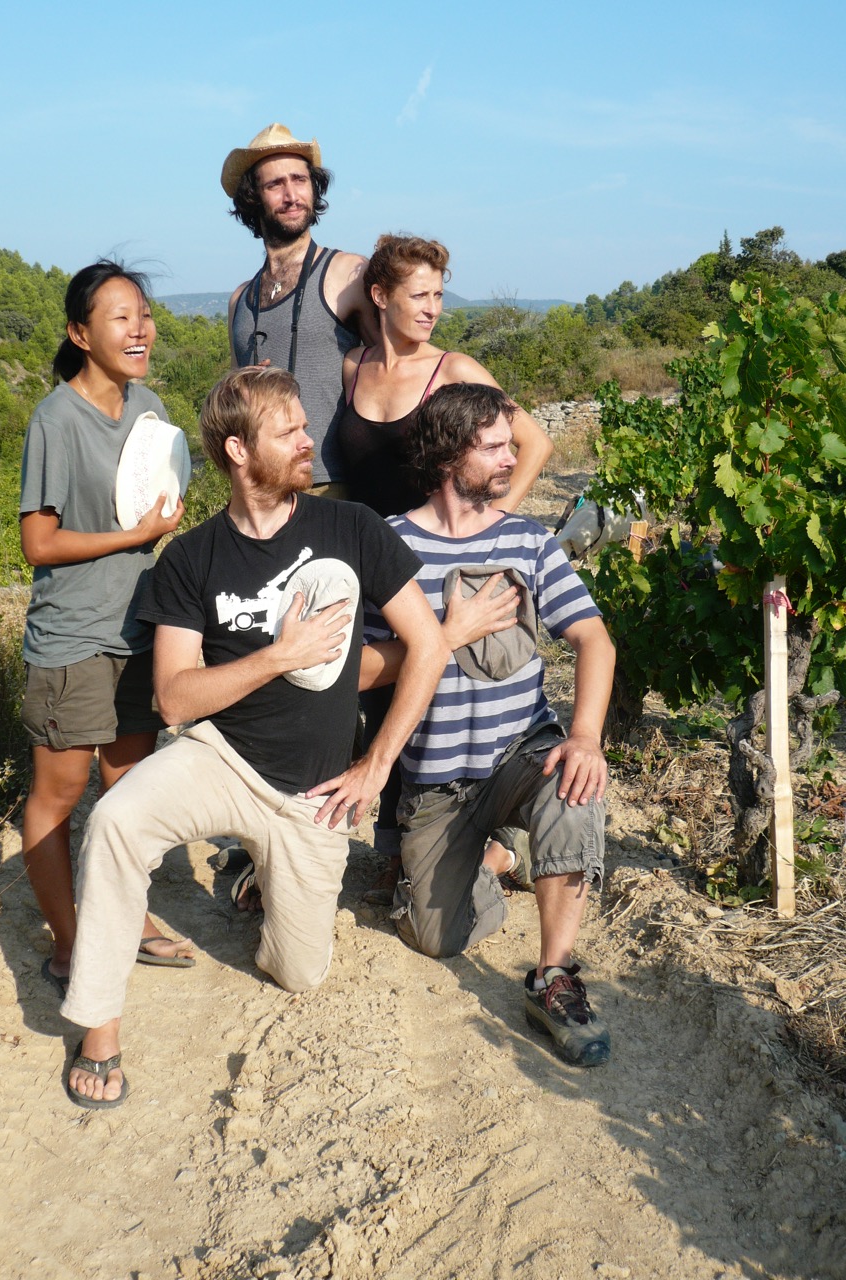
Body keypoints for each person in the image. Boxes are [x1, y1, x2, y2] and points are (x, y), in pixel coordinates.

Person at [61, 366, 449, 1108]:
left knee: (300, 972)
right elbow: (174, 696)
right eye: (289, 432)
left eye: (305, 426)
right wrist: (279, 655)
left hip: (314, 792)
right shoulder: (192, 559)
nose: (309, 442)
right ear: (238, 451)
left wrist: (375, 765)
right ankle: (99, 1029)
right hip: (222, 758)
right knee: (113, 821)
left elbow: (426, 646)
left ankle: (258, 876)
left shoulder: (352, 527)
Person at [361, 383, 616, 1067]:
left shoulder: (527, 541)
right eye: (495, 447)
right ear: (448, 456)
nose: (512, 460)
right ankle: (501, 855)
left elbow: (595, 641)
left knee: (574, 788)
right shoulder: (388, 544)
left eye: (511, 445)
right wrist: (443, 635)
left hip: (518, 756)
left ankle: (553, 976)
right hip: (436, 784)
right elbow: (355, 671)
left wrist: (585, 737)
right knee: (437, 937)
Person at [337, 234, 554, 901]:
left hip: (438, 566)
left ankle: (486, 843)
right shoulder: (352, 368)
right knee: (378, 694)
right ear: (381, 297)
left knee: (434, 700)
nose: (433, 306)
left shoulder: (455, 368)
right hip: (372, 564)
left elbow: (534, 440)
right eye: (419, 294)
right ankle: (399, 845)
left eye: (438, 292)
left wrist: (493, 535)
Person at [20, 260, 194, 999]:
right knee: (58, 796)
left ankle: (133, 917)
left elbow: (152, 502)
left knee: (127, 795)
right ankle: (69, 943)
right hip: (72, 638)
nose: (140, 328)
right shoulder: (55, 419)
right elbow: (40, 542)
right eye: (120, 317)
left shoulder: (148, 405)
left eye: (144, 314)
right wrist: (135, 538)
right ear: (79, 332)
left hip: (138, 627)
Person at [224, 122, 378, 498]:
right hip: (260, 489)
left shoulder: (348, 274)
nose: (292, 195)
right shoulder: (239, 301)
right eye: (275, 184)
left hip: (333, 486)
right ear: (253, 198)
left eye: (300, 180)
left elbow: (398, 369)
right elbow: (233, 405)